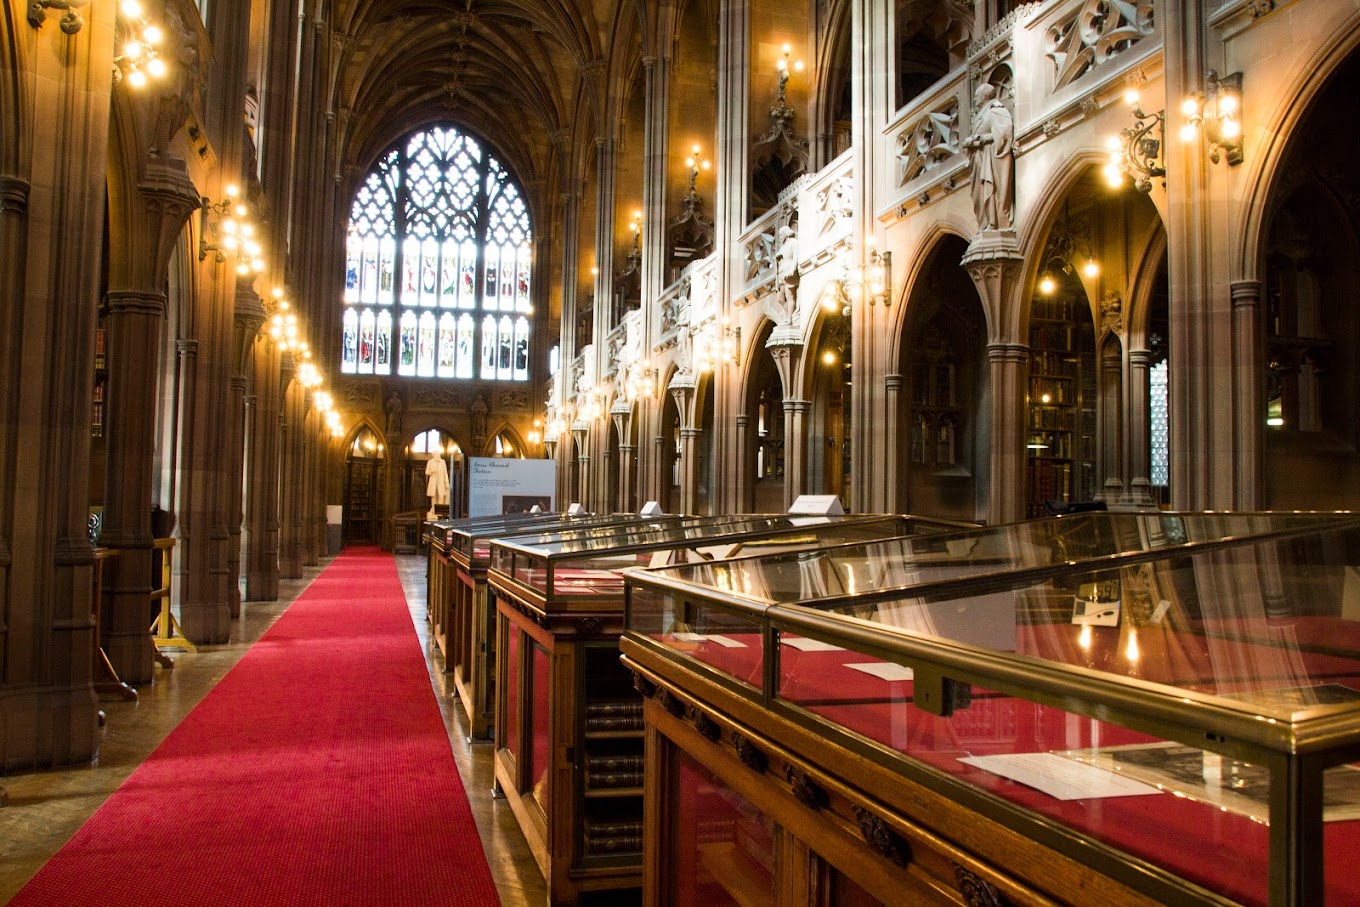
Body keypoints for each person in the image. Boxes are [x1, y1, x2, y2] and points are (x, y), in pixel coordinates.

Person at [963, 82, 1015, 231]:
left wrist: (978, 139)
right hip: (979, 160)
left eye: (976, 96)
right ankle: (986, 223)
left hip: (989, 159)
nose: (974, 100)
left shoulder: (995, 110)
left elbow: (1004, 134)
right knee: (980, 194)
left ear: (985, 96)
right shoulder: (983, 113)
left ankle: (994, 222)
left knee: (990, 190)